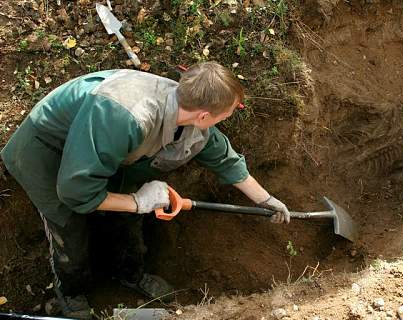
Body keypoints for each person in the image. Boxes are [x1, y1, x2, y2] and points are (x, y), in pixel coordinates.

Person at [0, 62, 290, 319]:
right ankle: (71, 291)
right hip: (46, 152)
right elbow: (75, 190)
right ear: (203, 114)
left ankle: (129, 274)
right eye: (224, 116)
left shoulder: (187, 111)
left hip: (100, 150)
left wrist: (267, 200)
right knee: (70, 225)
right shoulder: (127, 116)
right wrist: (137, 201)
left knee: (127, 218)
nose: (221, 122)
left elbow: (224, 158)